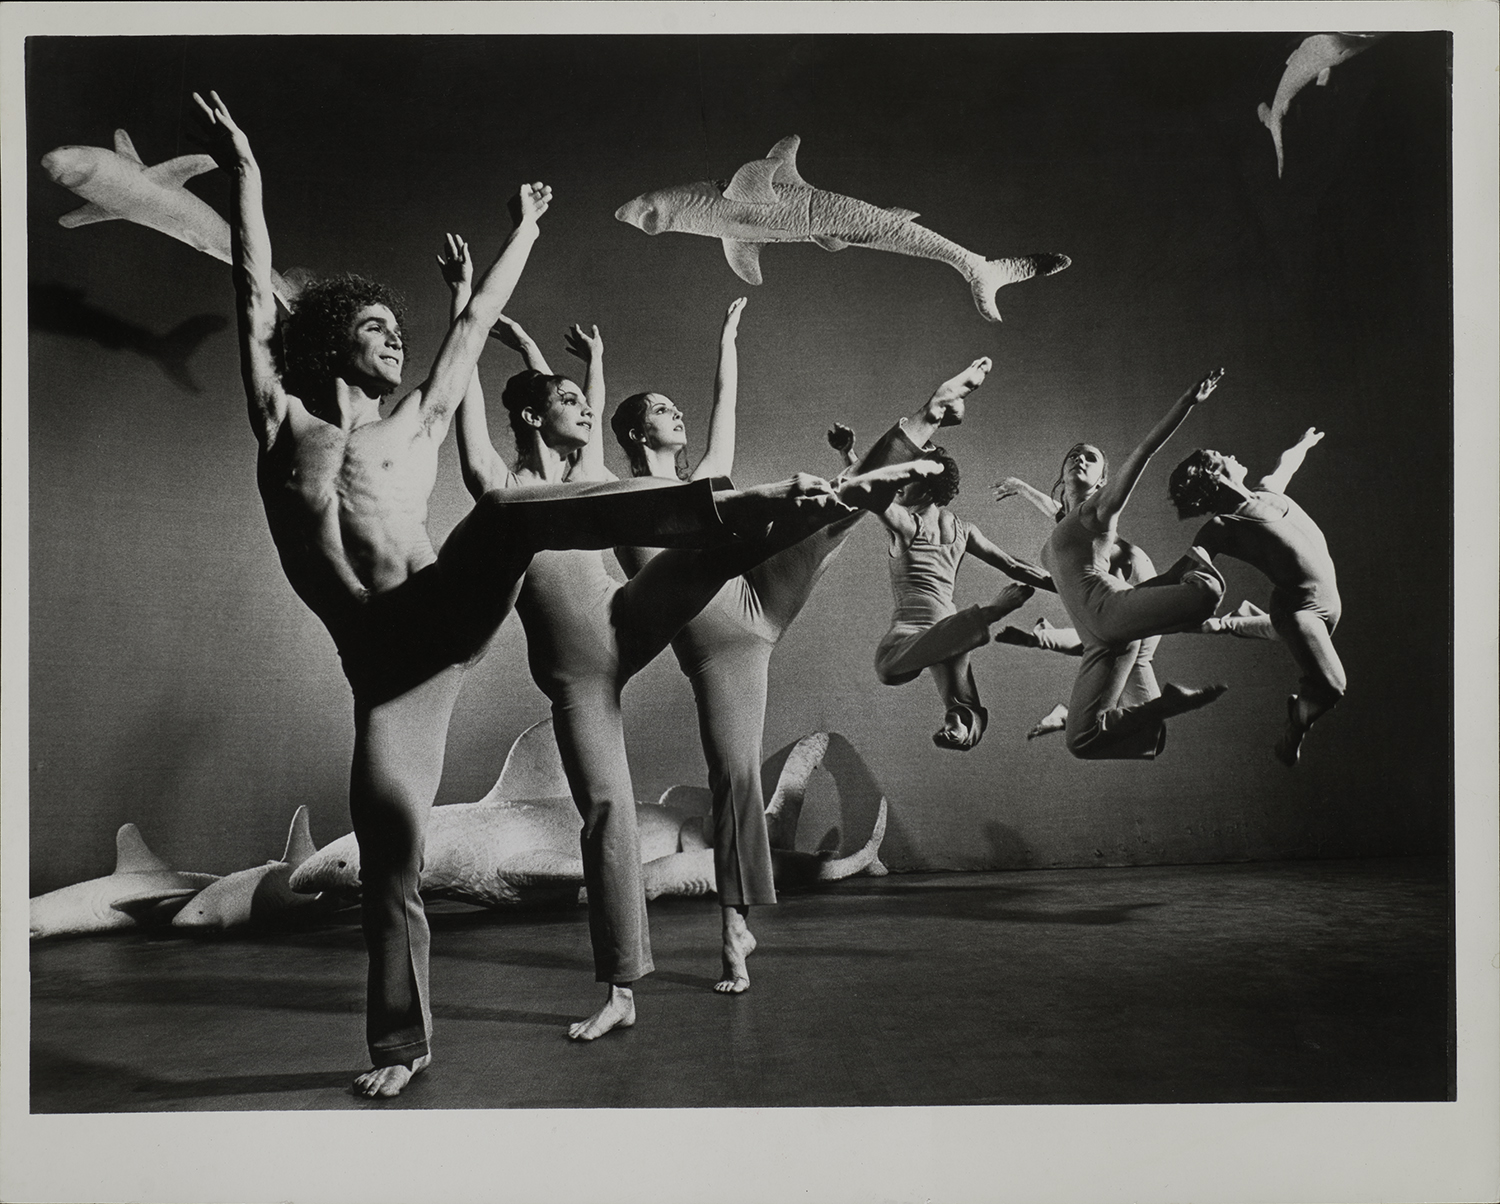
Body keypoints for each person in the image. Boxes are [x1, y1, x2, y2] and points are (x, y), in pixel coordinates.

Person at [196, 93, 849, 1099]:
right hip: (382, 671)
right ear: (329, 343)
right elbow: (250, 293)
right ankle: (403, 1047)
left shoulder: (416, 424)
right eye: (372, 327)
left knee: (512, 507)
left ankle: (731, 510)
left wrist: (525, 233)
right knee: (390, 860)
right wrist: (244, 169)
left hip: (438, 613)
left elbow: (466, 335)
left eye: (393, 327)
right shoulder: (280, 424)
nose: (392, 340)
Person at [441, 245, 938, 1036]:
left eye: (584, 399)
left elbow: (579, 408)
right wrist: (468, 309)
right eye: (565, 400)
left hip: (626, 617)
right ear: (537, 415)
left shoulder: (599, 477)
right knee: (606, 813)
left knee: (714, 546)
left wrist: (580, 363)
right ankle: (619, 992)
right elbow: (476, 405)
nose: (584, 405)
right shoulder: (501, 486)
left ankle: (841, 497)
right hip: (577, 672)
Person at [608, 299, 999, 992]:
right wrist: (589, 369)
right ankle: (735, 927)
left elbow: (723, 405)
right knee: (734, 779)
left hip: (756, 590)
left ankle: (929, 415)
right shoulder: (620, 497)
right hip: (720, 641)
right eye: (662, 410)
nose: (678, 415)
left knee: (826, 516)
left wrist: (726, 337)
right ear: (636, 430)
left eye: (677, 408)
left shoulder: (704, 474)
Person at [1032, 369, 1232, 760]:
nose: (1080, 459)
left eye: (1091, 458)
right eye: (1074, 455)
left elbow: (1143, 452)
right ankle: (1165, 704)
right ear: (1061, 474)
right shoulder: (1064, 527)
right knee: (1089, 741)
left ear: (1103, 478)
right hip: (1099, 640)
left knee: (1204, 596)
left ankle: (1196, 566)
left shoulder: (1099, 511)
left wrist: (1187, 403)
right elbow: (1054, 510)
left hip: (1113, 612)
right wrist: (1021, 487)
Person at [991, 474, 1277, 738]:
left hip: (1138, 624)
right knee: (1123, 645)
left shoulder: (1088, 532)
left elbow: (1062, 512)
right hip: (1131, 614)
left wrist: (1022, 488)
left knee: (1150, 730)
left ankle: (1054, 667)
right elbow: (1062, 518)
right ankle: (1047, 645)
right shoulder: (1086, 558)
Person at [1165, 427, 1343, 765]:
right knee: (1333, 686)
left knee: (1280, 632)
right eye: (1221, 456)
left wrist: (1304, 442)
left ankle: (1232, 621)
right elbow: (1177, 574)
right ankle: (1293, 732)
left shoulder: (1268, 491)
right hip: (1301, 611)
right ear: (1213, 474)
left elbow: (1286, 465)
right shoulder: (1222, 526)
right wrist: (1126, 596)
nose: (1231, 455)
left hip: (1324, 605)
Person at [868, 444, 1053, 751]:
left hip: (912, 629)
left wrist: (847, 454)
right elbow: (1013, 565)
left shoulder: (906, 523)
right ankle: (958, 725)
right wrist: (1069, 585)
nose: (898, 482)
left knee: (887, 667)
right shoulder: (963, 530)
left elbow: (869, 493)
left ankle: (989, 614)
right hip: (950, 628)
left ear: (928, 490)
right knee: (962, 702)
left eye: (908, 476)